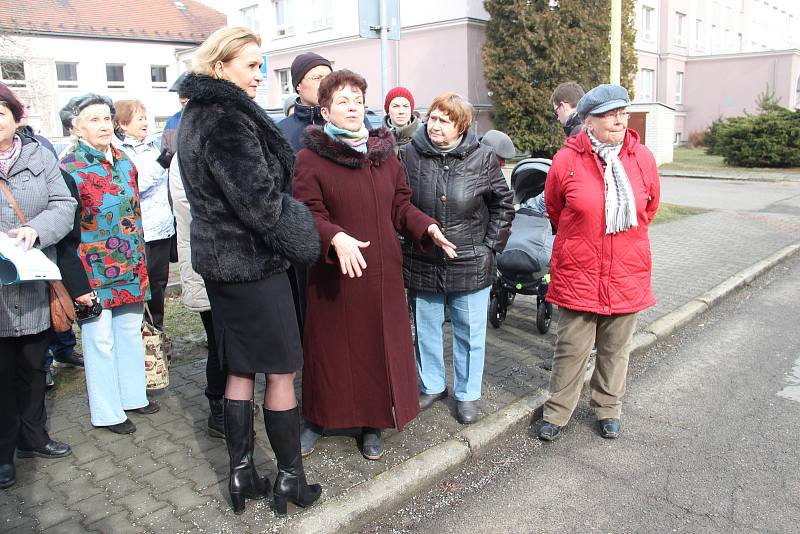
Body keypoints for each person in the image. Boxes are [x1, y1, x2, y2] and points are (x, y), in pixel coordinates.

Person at [176, 26, 322, 515]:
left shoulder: (198, 114)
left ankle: (241, 476)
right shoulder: (224, 118)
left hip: (223, 265)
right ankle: (289, 481)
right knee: (281, 370)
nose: (261, 75)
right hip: (252, 264)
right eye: (253, 65)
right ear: (220, 66)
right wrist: (304, 236)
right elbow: (259, 204)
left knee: (240, 366)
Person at [293, 70, 455, 461]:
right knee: (329, 351)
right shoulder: (311, 158)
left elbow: (400, 205)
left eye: (356, 99)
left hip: (380, 274)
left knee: (374, 350)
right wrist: (334, 236)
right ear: (326, 111)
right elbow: (304, 211)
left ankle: (372, 425)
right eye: (341, 101)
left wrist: (427, 226)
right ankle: (318, 418)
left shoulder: (383, 154)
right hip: (335, 274)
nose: (351, 107)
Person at [537, 84, 660, 442]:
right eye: (609, 115)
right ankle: (557, 413)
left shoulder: (643, 158)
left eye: (623, 113)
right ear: (588, 121)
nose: (619, 121)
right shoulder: (567, 159)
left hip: (627, 271)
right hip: (579, 272)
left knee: (615, 350)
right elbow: (555, 210)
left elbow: (649, 208)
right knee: (571, 350)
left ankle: (608, 408)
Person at [399, 92, 514, 425]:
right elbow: (398, 205)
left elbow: (503, 206)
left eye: (444, 120)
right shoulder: (408, 156)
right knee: (427, 329)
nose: (434, 125)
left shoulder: (483, 158)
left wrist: (490, 248)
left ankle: (466, 394)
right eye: (432, 117)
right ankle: (433, 385)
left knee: (469, 332)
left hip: (470, 262)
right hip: (422, 260)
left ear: (461, 125)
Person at [59, 94, 159, 435]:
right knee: (100, 341)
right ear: (76, 127)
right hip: (93, 270)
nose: (102, 126)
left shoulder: (124, 162)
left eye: (105, 118)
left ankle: (133, 395)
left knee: (130, 332)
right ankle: (107, 411)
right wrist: (77, 284)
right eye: (93, 120)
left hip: (131, 265)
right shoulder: (69, 169)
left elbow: (135, 213)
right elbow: (66, 234)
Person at [0, 82, 76, 489]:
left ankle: (34, 437)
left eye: (1, 111)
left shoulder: (38, 156)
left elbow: (64, 205)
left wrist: (35, 230)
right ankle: (2, 452)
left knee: (33, 367)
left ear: (16, 117)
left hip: (31, 283)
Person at [168, 152, 227, 438]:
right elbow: (188, 207)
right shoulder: (186, 155)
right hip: (206, 260)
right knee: (217, 342)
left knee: (236, 342)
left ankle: (234, 400)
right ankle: (217, 407)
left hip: (236, 262)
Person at [114, 99, 175, 331]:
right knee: (143, 283)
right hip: (140, 230)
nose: (145, 123)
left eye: (145, 118)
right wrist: (161, 165)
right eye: (139, 118)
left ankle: (157, 330)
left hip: (162, 227)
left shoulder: (153, 146)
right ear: (122, 123)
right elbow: (134, 186)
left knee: (159, 283)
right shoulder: (119, 152)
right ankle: (141, 330)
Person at [278, 52, 333, 152]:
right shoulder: (281, 131)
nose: (325, 84)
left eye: (329, 78)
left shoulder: (352, 120)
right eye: (317, 78)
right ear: (298, 85)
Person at [159, 72, 188, 168]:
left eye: (187, 94)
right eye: (180, 94)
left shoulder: (210, 118)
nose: (182, 100)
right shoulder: (172, 122)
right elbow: (164, 159)